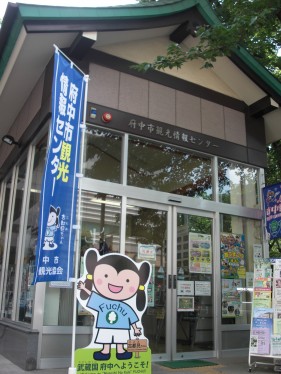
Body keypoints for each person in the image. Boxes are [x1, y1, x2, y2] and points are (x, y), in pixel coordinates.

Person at [77, 248, 150, 360]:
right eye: (106, 276)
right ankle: (105, 352)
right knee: (105, 339)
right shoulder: (102, 301)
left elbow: (132, 317)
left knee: (120, 340)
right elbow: (91, 295)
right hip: (105, 326)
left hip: (121, 327)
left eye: (127, 281)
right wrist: (83, 288)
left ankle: (120, 352)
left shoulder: (125, 305)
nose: (116, 284)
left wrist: (135, 329)